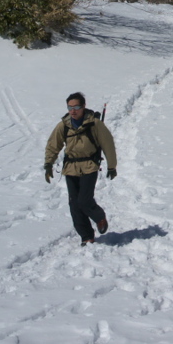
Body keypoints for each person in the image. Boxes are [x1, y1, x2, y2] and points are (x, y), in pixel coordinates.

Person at [44, 92, 118, 245]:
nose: (73, 111)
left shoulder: (94, 124)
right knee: (74, 205)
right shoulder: (64, 125)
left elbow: (108, 144)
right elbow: (53, 144)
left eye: (76, 107)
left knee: (84, 200)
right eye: (70, 107)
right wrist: (48, 164)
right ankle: (86, 236)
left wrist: (112, 166)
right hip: (70, 168)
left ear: (83, 106)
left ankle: (99, 217)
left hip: (89, 166)